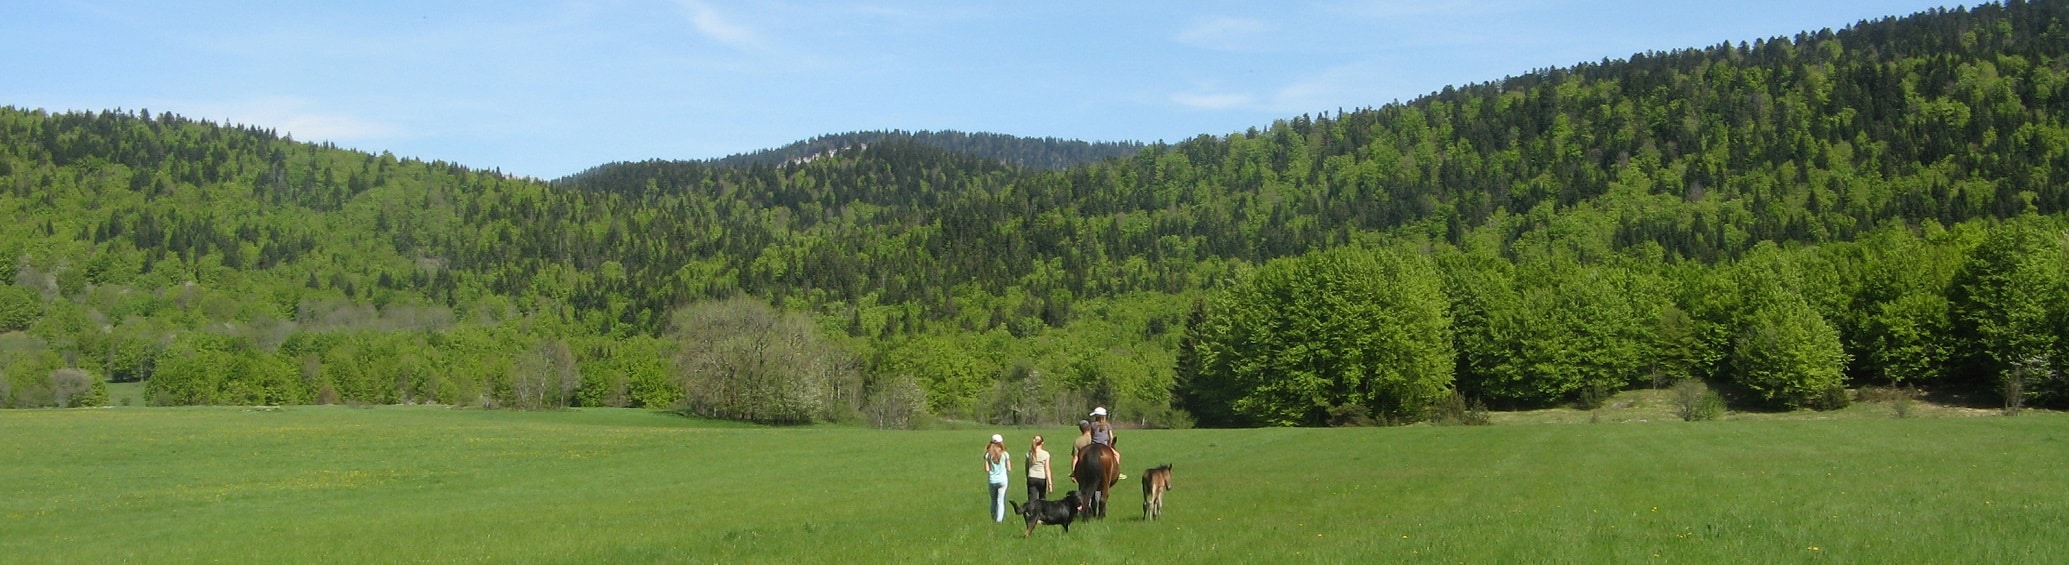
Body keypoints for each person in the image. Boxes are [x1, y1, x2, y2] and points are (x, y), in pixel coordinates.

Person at [983, 434, 1010, 523]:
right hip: (1002, 480)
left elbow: (987, 469)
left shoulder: (988, 455)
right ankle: (999, 520)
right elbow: (1009, 468)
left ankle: (993, 518)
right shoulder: (1005, 454)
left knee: (993, 500)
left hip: (992, 480)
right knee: (1000, 501)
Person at [1025, 435, 1052, 502]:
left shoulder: (1029, 453)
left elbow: (1027, 467)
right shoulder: (1045, 454)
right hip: (1041, 478)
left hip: (1032, 477)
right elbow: (1047, 469)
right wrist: (1050, 483)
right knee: (1042, 500)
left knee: (1032, 499)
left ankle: (1031, 512)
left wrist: (1028, 477)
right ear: (1042, 442)